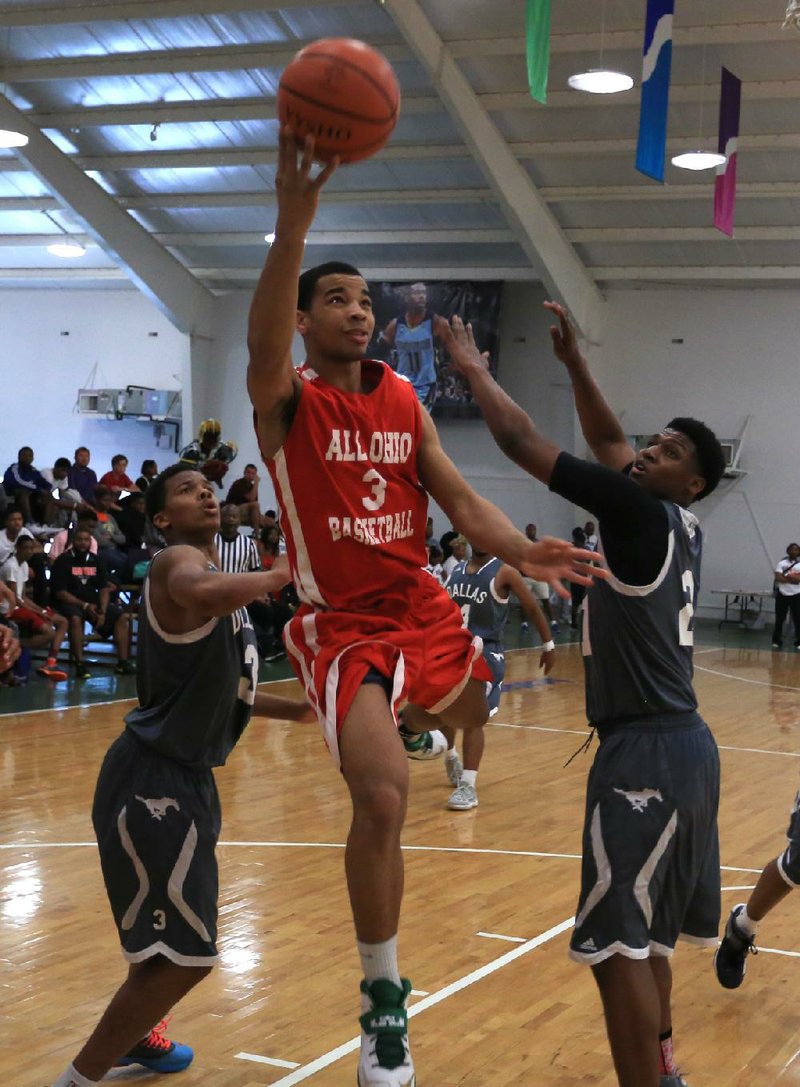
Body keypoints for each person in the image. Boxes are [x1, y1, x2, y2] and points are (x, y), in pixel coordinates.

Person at [245, 129, 601, 1087]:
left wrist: (523, 545)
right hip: (343, 624)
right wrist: (292, 226)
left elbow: (459, 496)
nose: (357, 311)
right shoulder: (286, 400)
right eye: (337, 299)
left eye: (364, 299)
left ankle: (434, 728)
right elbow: (260, 336)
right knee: (382, 796)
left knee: (468, 721)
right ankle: (384, 1003)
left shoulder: (404, 399)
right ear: (308, 321)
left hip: (422, 606)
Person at [443, 303, 727, 1087]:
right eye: (652, 442)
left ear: (693, 480)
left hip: (646, 750)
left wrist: (472, 371)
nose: (646, 453)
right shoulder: (679, 522)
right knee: (651, 942)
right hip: (685, 749)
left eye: (667, 452)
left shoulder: (635, 512)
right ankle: (664, 1070)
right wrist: (574, 366)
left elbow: (520, 443)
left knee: (614, 948)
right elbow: (612, 446)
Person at [46, 463, 315, 1087]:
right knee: (186, 960)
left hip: (183, 776)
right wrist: (282, 572)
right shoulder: (176, 564)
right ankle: (78, 1079)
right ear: (162, 518)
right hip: (152, 780)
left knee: (162, 947)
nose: (206, 492)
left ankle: (138, 1035)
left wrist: (298, 708)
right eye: (188, 489)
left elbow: (227, 684)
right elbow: (200, 593)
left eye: (208, 486)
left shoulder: (219, 579)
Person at [437, 540, 556, 810]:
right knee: (445, 707)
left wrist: (548, 644)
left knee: (473, 717)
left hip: (486, 653)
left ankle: (468, 785)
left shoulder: (504, 571)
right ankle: (451, 756)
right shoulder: (455, 572)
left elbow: (532, 607)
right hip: (453, 649)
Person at [50, 526, 134, 679]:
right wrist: (85, 606)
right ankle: (80, 664)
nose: (83, 543)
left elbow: (103, 588)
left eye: (86, 540)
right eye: (79, 539)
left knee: (122, 617)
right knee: (75, 619)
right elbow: (60, 593)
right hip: (70, 602)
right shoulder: (63, 561)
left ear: (90, 542)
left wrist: (102, 610)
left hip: (93, 602)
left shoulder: (96, 560)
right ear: (73, 541)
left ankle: (122, 663)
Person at [376, 281, 450, 411]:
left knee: (419, 423)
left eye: (424, 293)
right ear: (407, 297)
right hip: (402, 383)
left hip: (425, 384)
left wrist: (446, 366)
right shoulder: (396, 325)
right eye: (417, 293)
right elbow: (380, 351)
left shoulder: (434, 321)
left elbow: (449, 346)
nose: (421, 296)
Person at [3, 446, 53, 527]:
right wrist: (38, 489)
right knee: (24, 492)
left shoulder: (33, 470)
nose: (27, 458)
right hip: (12, 494)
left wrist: (47, 489)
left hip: (30, 494)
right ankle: (30, 524)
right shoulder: (14, 468)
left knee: (49, 495)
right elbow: (19, 482)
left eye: (30, 456)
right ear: (18, 457)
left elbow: (43, 482)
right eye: (24, 455)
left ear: (33, 458)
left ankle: (46, 525)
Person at [179, 419, 238, 487]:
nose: (212, 440)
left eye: (214, 437)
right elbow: (184, 472)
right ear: (202, 436)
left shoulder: (222, 449)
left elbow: (233, 451)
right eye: (209, 437)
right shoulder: (191, 452)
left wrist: (224, 459)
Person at [771, 542, 800, 650]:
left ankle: (798, 642)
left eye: (796, 550)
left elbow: (799, 579)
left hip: (796, 595)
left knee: (798, 619)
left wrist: (786, 577)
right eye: (792, 549)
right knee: (780, 618)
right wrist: (792, 579)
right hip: (782, 594)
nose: (794, 551)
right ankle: (776, 641)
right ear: (788, 551)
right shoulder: (782, 563)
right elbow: (778, 577)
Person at [225, 462, 263, 529]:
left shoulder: (252, 487)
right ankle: (257, 536)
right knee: (255, 505)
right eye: (248, 472)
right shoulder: (239, 483)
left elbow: (254, 502)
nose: (250, 475)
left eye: (253, 473)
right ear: (244, 473)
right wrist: (256, 483)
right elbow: (251, 499)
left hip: (246, 513)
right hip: (232, 509)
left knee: (269, 521)